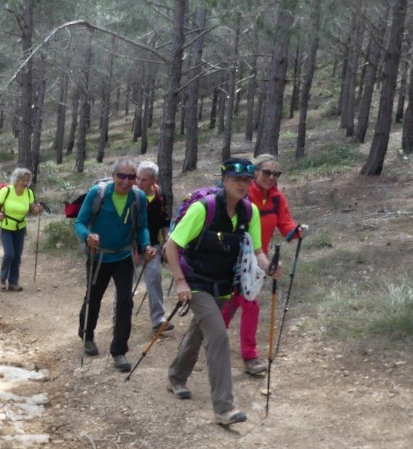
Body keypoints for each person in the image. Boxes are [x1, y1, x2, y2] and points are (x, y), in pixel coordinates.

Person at [165, 158, 272, 427]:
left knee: (199, 331)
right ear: (224, 181)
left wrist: (270, 268)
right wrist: (180, 282)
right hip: (196, 282)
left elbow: (257, 252)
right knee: (218, 336)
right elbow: (171, 245)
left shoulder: (250, 212)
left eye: (247, 180)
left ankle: (176, 376)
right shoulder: (205, 209)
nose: (243, 184)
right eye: (237, 179)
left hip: (224, 285)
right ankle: (224, 407)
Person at [222, 153, 306, 376]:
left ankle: (212, 333)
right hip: (229, 257)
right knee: (245, 302)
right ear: (255, 172)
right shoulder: (243, 194)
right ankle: (248, 355)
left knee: (239, 300)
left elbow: (285, 224)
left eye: (275, 174)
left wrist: (296, 231)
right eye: (266, 172)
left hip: (257, 260)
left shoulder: (277, 198)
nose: (271, 177)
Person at [74, 157, 155, 372]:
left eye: (131, 177)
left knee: (125, 301)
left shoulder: (138, 198)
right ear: (113, 176)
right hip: (98, 256)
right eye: (122, 176)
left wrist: (146, 245)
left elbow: (143, 227)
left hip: (124, 257)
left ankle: (119, 351)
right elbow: (79, 222)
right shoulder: (98, 193)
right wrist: (87, 236)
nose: (126, 181)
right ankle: (87, 334)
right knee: (93, 296)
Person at [135, 161, 173, 336]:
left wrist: (166, 241)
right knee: (125, 284)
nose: (138, 182)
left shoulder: (160, 195)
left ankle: (158, 320)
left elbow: (165, 220)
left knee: (155, 279)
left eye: (143, 179)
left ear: (154, 180)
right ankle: (118, 317)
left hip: (153, 246)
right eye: (137, 178)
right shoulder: (131, 195)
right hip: (130, 247)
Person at [0, 167, 42, 291]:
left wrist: (38, 209)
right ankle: (2, 280)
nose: (25, 183)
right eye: (22, 180)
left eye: (27, 181)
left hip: (20, 227)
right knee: (9, 254)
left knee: (17, 256)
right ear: (16, 179)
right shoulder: (6, 191)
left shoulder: (28, 193)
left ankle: (13, 282)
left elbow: (33, 211)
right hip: (5, 226)